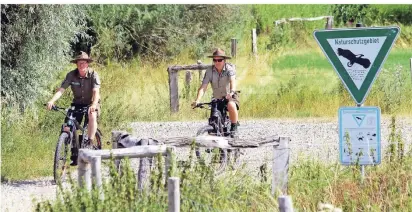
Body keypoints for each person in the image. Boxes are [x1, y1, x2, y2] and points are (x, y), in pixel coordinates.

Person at [46, 51, 101, 166]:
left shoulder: (93, 75)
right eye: (79, 63)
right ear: (76, 64)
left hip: (91, 103)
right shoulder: (71, 75)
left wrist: (94, 105)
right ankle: (72, 153)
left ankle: (90, 141)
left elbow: (96, 93)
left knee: (92, 115)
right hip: (77, 103)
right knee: (68, 125)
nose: (82, 65)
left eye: (84, 63)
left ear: (87, 64)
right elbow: (61, 90)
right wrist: (52, 101)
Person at [192, 48, 240, 137]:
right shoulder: (209, 71)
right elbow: (203, 87)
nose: (217, 62)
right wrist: (197, 100)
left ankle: (234, 128)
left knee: (231, 105)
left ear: (224, 60)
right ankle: (212, 142)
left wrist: (232, 92)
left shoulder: (229, 68)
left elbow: (233, 81)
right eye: (214, 60)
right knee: (213, 119)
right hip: (217, 97)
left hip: (229, 95)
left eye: (219, 60)